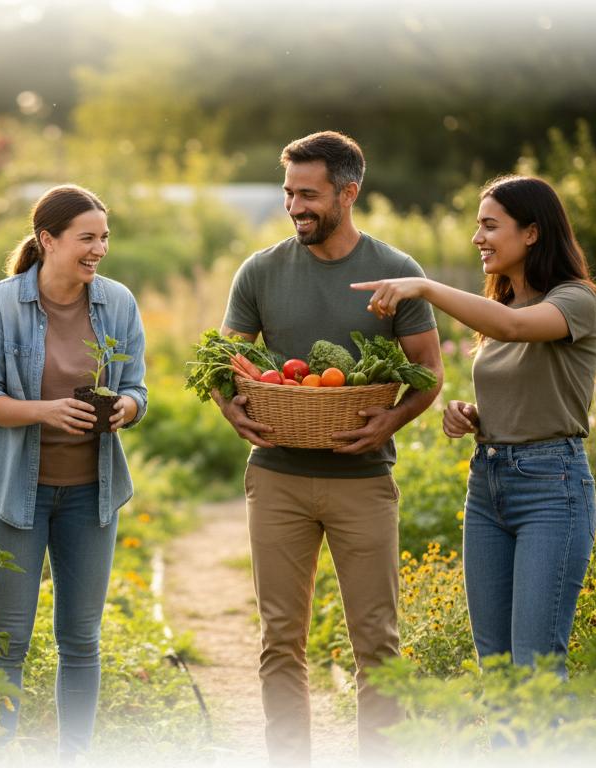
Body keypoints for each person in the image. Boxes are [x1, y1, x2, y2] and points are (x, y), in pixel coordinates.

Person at [213, 131, 444, 764]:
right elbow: (222, 361)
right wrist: (231, 409)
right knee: (279, 639)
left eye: (308, 195)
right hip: (277, 476)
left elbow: (429, 375)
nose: (295, 207)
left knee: (377, 642)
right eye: (289, 194)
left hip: (363, 479)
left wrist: (388, 423)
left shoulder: (398, 273)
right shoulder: (260, 270)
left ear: (349, 192)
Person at [352, 174, 596, 673]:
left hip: (551, 488)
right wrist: (473, 415)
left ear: (532, 233)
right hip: (488, 485)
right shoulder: (505, 306)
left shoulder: (575, 300)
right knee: (495, 666)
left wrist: (424, 286)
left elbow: (513, 330)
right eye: (477, 227)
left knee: (535, 669)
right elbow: (514, 355)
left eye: (490, 226)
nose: (478, 239)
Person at [0, 184, 148, 758]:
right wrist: (44, 411)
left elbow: (139, 387)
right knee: (6, 643)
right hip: (13, 494)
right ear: (48, 240)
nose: (100, 249)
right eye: (87, 238)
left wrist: (128, 407)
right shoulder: (0, 304)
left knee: (81, 641)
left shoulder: (117, 303)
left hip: (91, 495)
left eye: (104, 237)